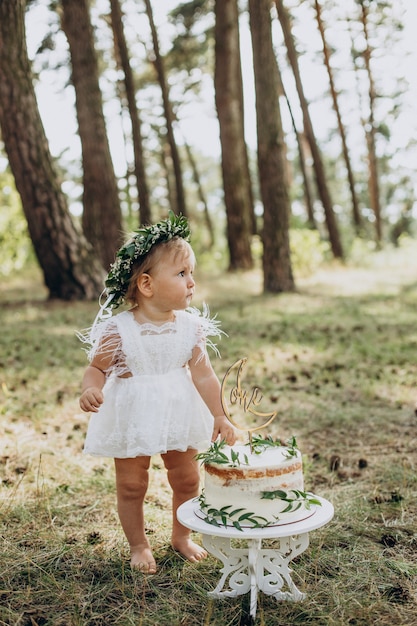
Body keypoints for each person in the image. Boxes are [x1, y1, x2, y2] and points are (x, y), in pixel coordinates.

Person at [78, 212, 236, 574]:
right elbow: (96, 368)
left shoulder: (191, 327)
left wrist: (219, 414)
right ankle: (138, 544)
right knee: (132, 484)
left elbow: (205, 375)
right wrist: (91, 388)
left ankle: (181, 537)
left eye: (191, 273)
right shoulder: (118, 330)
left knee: (187, 478)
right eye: (182, 274)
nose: (192, 282)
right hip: (133, 413)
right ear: (147, 285)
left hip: (179, 411)